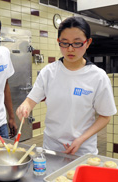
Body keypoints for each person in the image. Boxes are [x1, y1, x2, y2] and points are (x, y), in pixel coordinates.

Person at [16, 16, 117, 156]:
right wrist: (24, 107)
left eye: (77, 43)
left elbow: (105, 116)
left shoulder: (98, 77)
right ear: (58, 42)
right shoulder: (48, 72)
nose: (70, 49)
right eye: (64, 43)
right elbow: (30, 101)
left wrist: (81, 139)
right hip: (51, 147)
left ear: (88, 42)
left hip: (83, 150)